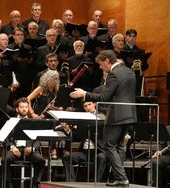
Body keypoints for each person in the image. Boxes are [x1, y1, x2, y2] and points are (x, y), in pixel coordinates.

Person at [70, 50, 137, 187]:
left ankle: (122, 178)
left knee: (109, 145)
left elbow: (104, 98)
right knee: (118, 146)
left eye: (101, 64)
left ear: (107, 60)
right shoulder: (129, 71)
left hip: (117, 115)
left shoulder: (113, 74)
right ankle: (119, 177)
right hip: (129, 114)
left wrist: (84, 94)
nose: (101, 67)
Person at [1, 97, 45, 188]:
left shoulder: (33, 122)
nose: (24, 109)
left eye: (26, 107)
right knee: (5, 160)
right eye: (22, 107)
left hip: (28, 149)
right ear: (17, 109)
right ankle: (8, 184)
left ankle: (35, 184)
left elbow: (38, 140)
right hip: (15, 149)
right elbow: (4, 138)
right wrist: (12, 147)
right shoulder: (10, 121)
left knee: (41, 160)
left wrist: (32, 147)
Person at [61, 101, 107, 182]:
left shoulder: (102, 116)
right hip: (85, 152)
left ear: (94, 104)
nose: (87, 107)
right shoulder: (82, 118)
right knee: (66, 157)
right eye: (85, 106)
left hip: (99, 151)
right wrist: (68, 130)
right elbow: (75, 137)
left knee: (101, 157)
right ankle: (70, 182)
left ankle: (97, 183)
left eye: (89, 105)